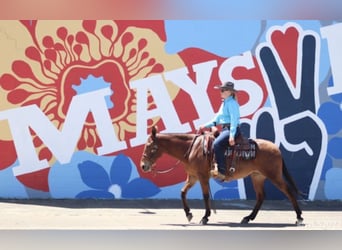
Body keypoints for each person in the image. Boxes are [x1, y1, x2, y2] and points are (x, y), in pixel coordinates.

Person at [199, 81, 241, 181]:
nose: (220, 92)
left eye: (223, 90)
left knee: (217, 144)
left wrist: (232, 135)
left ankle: (222, 172)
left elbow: (234, 120)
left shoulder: (232, 103)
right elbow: (216, 120)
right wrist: (204, 126)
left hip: (231, 129)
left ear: (230, 92)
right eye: (220, 90)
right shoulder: (225, 103)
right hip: (225, 129)